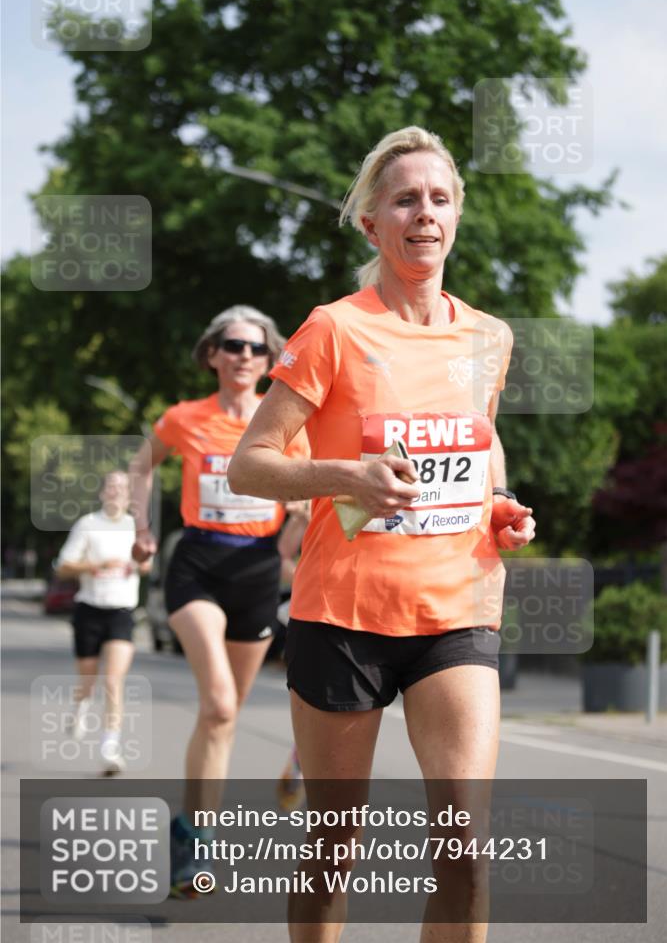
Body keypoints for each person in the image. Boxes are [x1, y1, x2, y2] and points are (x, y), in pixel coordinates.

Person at [228, 126, 536, 943]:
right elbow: (249, 465)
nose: (423, 213)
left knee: (464, 847)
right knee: (334, 850)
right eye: (404, 199)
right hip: (344, 615)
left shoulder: (487, 338)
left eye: (438, 198)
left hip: (457, 609)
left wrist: (499, 498)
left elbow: (481, 434)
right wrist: (346, 477)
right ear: (372, 224)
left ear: (457, 216)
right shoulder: (335, 329)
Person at [129, 304, 308, 897]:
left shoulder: (284, 423)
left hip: (257, 572)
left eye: (257, 348)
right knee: (223, 704)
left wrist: (297, 525)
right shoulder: (185, 418)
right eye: (232, 345)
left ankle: (195, 827)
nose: (244, 357)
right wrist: (142, 529)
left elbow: (308, 495)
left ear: (269, 359)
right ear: (212, 353)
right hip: (199, 565)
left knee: (221, 721)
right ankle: (193, 843)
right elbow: (140, 466)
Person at [56, 470, 150, 776]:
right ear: (102, 493)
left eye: (122, 487)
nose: (116, 491)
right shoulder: (88, 524)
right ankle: (80, 707)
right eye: (111, 486)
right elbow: (64, 567)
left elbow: (147, 564)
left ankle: (110, 747)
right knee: (88, 681)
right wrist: (96, 565)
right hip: (89, 609)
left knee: (113, 681)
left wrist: (141, 562)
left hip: (121, 611)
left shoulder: (136, 527)